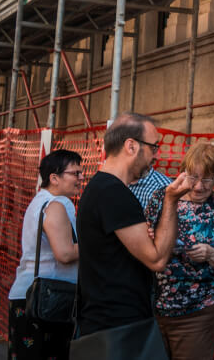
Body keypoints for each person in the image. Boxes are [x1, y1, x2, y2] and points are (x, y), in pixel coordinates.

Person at [76, 113, 192, 336]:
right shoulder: (114, 193)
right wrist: (171, 200)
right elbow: (156, 259)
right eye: (153, 147)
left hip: (107, 321)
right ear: (131, 146)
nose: (155, 156)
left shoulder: (101, 188)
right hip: (118, 326)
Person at [144, 140, 214, 359]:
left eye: (208, 179)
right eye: (193, 177)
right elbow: (143, 248)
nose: (198, 186)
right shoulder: (162, 198)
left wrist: (212, 255)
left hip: (198, 313)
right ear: (183, 172)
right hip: (153, 309)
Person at [7, 149, 83, 360]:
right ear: (54, 178)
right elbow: (65, 253)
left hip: (30, 297)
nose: (81, 178)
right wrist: (99, 243)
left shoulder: (39, 202)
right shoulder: (57, 204)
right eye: (75, 173)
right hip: (45, 300)